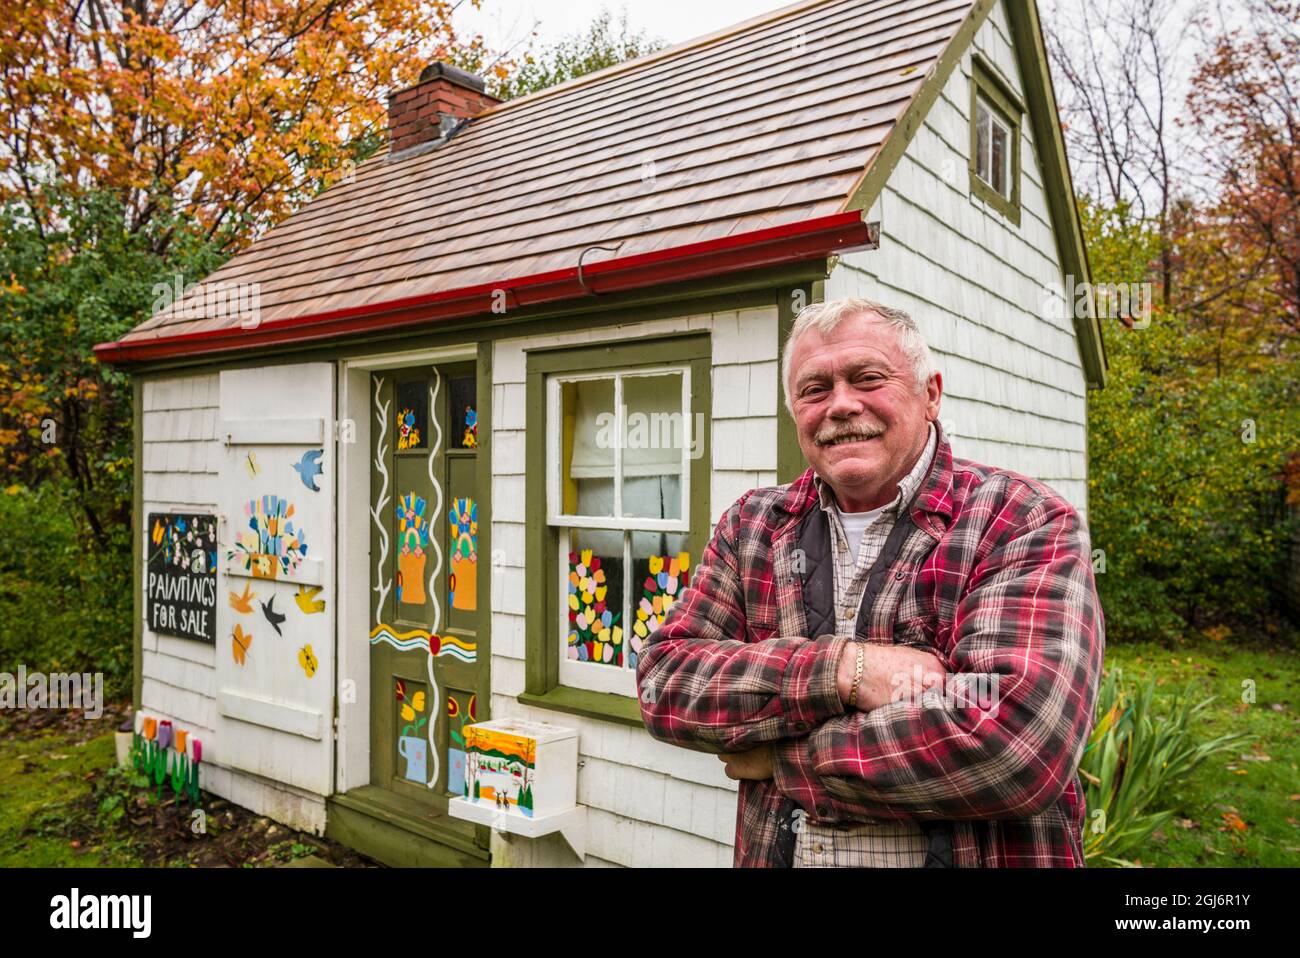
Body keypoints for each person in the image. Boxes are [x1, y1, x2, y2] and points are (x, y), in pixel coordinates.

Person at [636, 298, 1104, 867]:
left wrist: (787, 760)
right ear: (795, 411)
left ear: (930, 394)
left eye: (867, 378)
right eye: (815, 389)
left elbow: (1019, 744)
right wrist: (845, 673)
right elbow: (665, 684)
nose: (840, 405)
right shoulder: (752, 525)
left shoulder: (1017, 519)